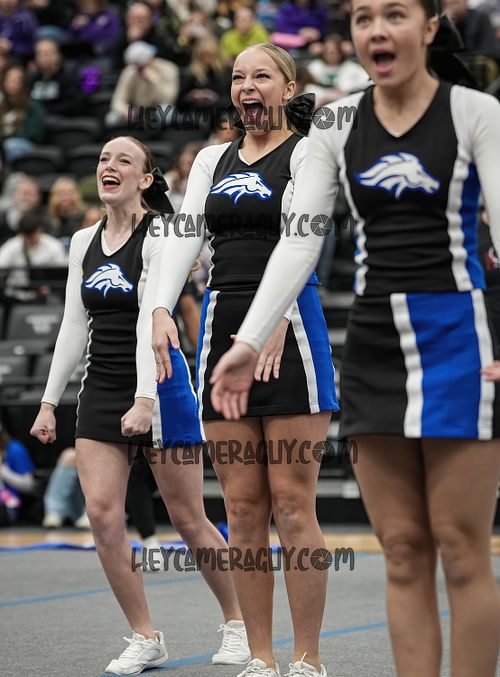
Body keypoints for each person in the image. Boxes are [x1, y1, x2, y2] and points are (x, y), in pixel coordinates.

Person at [210, 3, 500, 677]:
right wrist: (251, 339)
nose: (376, 30)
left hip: (458, 336)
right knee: (402, 549)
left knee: (461, 549)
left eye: (394, 14)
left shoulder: (475, 113)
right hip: (374, 347)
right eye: (364, 17)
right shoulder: (335, 123)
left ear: (429, 28)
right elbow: (300, 238)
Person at [30, 136, 249, 675]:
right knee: (103, 515)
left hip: (162, 383)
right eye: (103, 158)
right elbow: (72, 325)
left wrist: (146, 400)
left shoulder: (161, 235)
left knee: (187, 517)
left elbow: (152, 315)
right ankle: (145, 636)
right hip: (102, 387)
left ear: (146, 179)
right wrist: (48, 402)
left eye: (123, 160)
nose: (109, 165)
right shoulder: (82, 241)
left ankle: (239, 622)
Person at [152, 44, 338, 677]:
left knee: (293, 502)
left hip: (292, 329)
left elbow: (303, 236)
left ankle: (307, 657)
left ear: (288, 88)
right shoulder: (211, 159)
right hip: (221, 327)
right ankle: (260, 655)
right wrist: (161, 307)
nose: (247, 85)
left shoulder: (307, 152)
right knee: (242, 507)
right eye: (238, 77)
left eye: (261, 75)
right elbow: (184, 239)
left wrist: (277, 320)